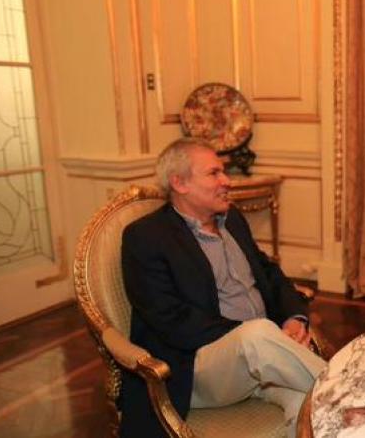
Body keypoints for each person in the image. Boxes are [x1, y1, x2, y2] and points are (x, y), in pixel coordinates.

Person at [120, 138, 325, 437]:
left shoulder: (233, 220)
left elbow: (269, 274)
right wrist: (259, 336)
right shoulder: (147, 237)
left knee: (311, 408)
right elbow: (170, 319)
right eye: (213, 173)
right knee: (256, 335)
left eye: (224, 172)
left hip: (262, 360)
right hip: (197, 369)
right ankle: (353, 386)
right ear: (179, 183)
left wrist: (294, 319)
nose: (226, 181)